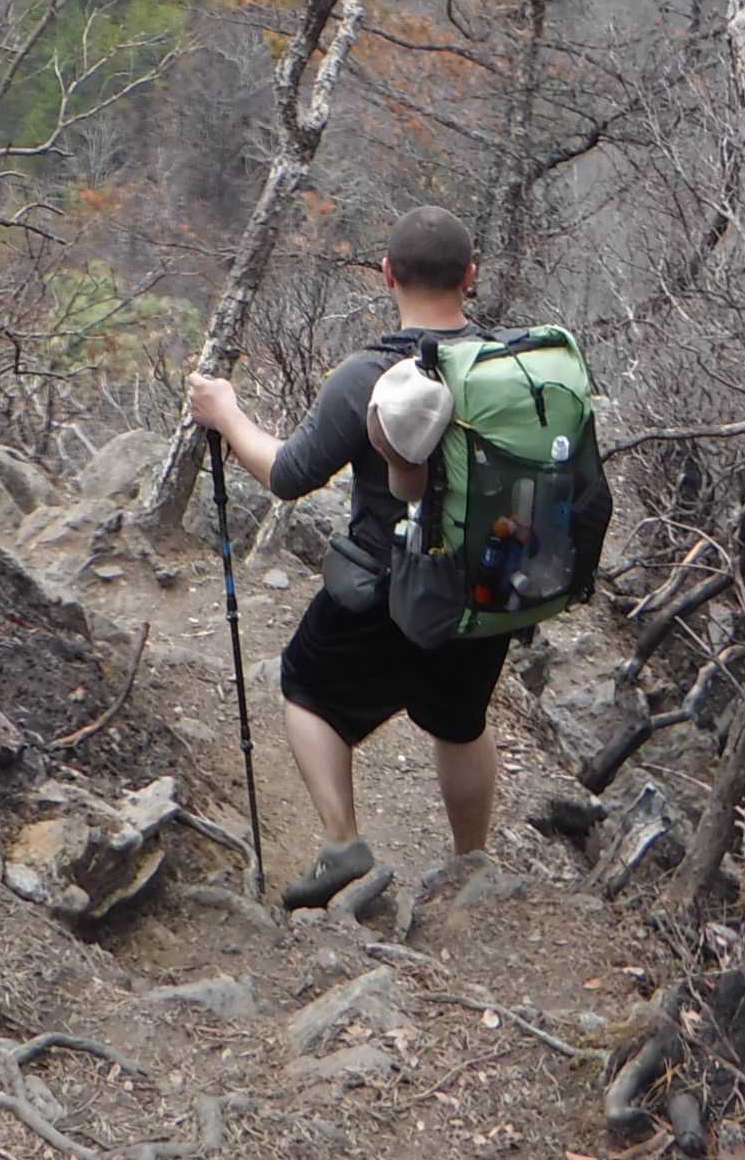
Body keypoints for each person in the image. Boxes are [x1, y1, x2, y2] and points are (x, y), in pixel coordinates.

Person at [185, 204, 508, 908]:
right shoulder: (504, 368)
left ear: (387, 274)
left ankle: (342, 845)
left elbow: (290, 473)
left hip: (390, 585)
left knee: (306, 681)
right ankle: (469, 866)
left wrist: (227, 413)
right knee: (461, 716)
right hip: (485, 587)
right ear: (471, 277)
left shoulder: (371, 374)